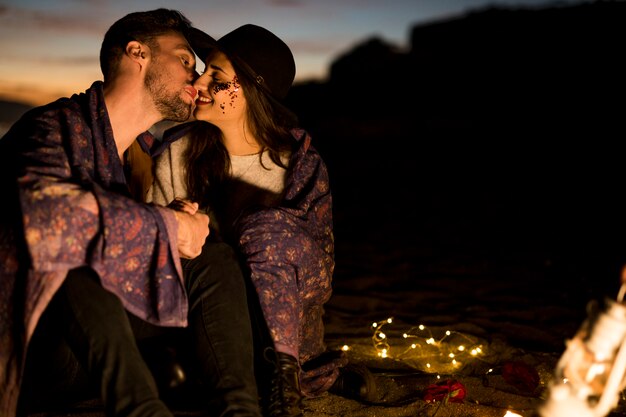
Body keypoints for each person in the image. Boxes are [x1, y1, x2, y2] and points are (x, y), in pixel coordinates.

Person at [0, 9, 261, 417]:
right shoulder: (50, 127)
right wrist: (167, 225)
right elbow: (45, 216)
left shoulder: (136, 155)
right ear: (137, 53)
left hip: (100, 345)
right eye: (185, 61)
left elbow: (118, 233)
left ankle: (240, 410)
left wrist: (163, 227)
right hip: (34, 348)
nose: (195, 78)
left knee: (211, 256)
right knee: (74, 257)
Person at [147, 24, 375, 416]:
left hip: (286, 322)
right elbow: (159, 259)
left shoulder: (298, 163)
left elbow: (319, 274)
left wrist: (262, 237)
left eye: (215, 77)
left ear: (249, 93)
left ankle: (283, 386)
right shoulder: (179, 153)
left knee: (266, 230)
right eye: (203, 70)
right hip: (211, 322)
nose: (198, 82)